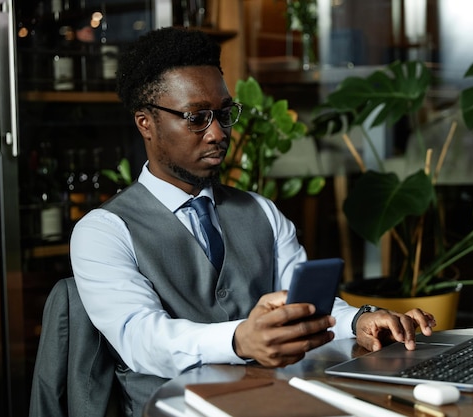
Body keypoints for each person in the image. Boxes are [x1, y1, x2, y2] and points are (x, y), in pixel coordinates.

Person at [70, 26, 436, 417]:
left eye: (224, 114)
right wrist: (240, 339)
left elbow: (309, 305)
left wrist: (360, 321)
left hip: (276, 403)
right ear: (146, 122)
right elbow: (141, 339)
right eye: (196, 118)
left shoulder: (261, 211)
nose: (217, 133)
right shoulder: (103, 232)